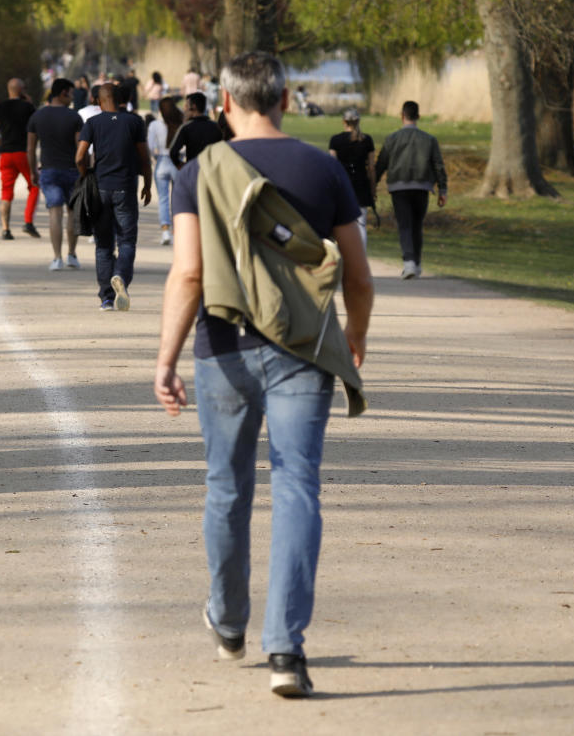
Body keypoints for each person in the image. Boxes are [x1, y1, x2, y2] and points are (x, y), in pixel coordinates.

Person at [154, 50, 373, 699]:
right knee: (298, 487)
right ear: (282, 99)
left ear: (224, 104)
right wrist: (354, 337)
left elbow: (189, 274)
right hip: (305, 349)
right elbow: (357, 274)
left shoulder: (199, 172)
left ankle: (228, 623)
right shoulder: (325, 169)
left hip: (222, 349)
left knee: (227, 488)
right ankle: (286, 650)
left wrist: (164, 358)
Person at [75, 83, 152, 311]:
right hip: (126, 188)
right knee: (127, 241)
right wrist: (147, 185)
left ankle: (106, 299)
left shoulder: (92, 123)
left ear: (98, 101)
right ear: (121, 100)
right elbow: (144, 157)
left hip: (100, 189)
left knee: (103, 245)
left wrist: (86, 176)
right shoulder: (134, 122)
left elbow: (80, 157)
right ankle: (120, 276)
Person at [375, 100, 448, 279]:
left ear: (402, 116)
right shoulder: (429, 139)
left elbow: (381, 164)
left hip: (398, 187)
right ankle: (416, 262)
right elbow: (438, 165)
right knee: (417, 225)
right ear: (418, 117)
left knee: (405, 225)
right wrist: (442, 189)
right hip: (422, 186)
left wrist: (372, 185)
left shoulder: (392, 139)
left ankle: (409, 263)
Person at [28, 78, 84, 271]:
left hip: (49, 170)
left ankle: (56, 257)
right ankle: (72, 254)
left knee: (55, 212)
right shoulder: (74, 117)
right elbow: (81, 148)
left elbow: (30, 147)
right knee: (73, 213)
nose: (72, 97)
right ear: (63, 93)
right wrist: (85, 171)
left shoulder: (37, 116)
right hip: (72, 170)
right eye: (71, 93)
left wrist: (33, 171)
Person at [0, 78, 41, 240]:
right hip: (23, 153)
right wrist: (30, 102)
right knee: (34, 186)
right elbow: (36, 127)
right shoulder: (28, 107)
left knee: (6, 192)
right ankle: (28, 222)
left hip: (5, 154)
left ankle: (5, 229)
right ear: (22, 90)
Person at [328, 107, 377, 247]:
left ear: (344, 122)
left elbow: (333, 167)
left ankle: (343, 259)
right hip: (361, 185)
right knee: (361, 225)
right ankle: (361, 259)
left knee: (341, 224)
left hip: (343, 186)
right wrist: (372, 189)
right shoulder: (367, 140)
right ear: (358, 121)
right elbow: (371, 168)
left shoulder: (335, 141)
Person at [147, 97, 183, 246]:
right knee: (178, 199)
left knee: (163, 198)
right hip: (178, 162)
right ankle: (178, 230)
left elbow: (150, 145)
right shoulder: (180, 123)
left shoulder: (155, 124)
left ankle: (165, 231)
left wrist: (156, 157)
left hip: (162, 161)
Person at [169, 92, 224, 169]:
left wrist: (182, 166)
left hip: (194, 172)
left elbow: (173, 152)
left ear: (193, 107)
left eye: (186, 106)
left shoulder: (186, 127)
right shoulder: (216, 127)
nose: (184, 109)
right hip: (212, 172)